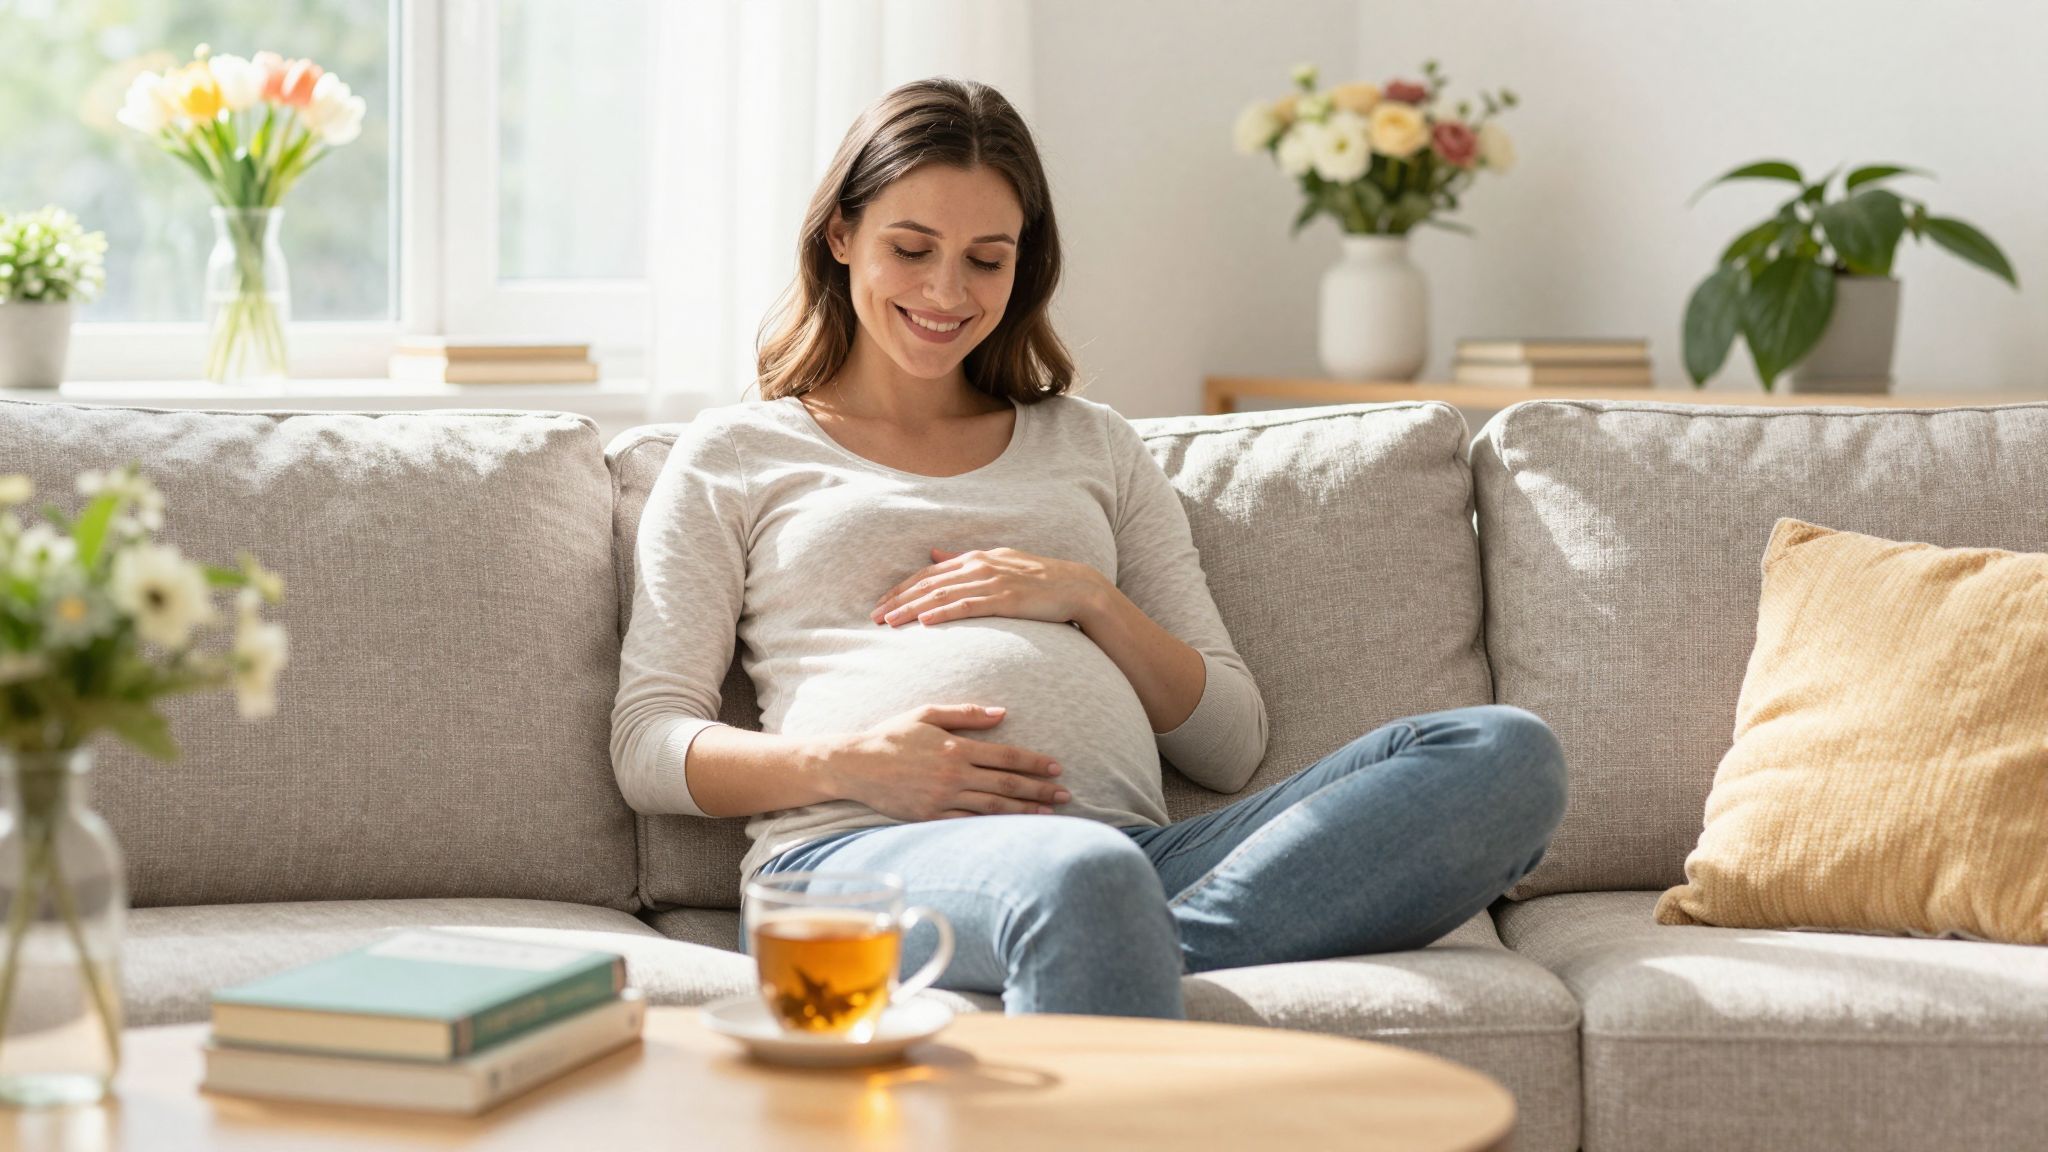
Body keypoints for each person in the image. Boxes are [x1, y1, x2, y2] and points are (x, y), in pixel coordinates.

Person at [611, 77, 1567, 1019]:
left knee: (1504, 755)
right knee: (1080, 877)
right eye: (911, 249)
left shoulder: (1094, 444)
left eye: (987, 260)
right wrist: (848, 762)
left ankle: (1108, 938)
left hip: (1135, 856)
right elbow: (648, 742)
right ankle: (1099, 930)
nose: (947, 291)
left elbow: (1230, 743)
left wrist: (1086, 597)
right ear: (840, 235)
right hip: (853, 859)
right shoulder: (739, 451)